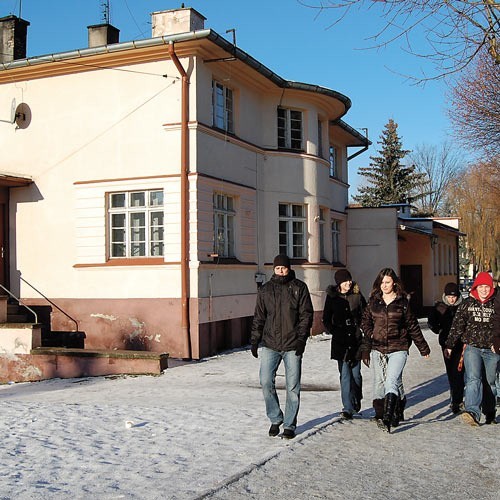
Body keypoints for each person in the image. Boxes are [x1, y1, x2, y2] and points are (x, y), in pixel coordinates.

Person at [250, 254, 313, 439]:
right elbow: (259, 317)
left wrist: (301, 340)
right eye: (278, 268)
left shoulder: (299, 288)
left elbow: (306, 316)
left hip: (293, 345)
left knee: (293, 386)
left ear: (289, 268)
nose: (281, 271)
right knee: (265, 381)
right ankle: (275, 418)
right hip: (270, 344)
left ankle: (289, 425)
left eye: (284, 268)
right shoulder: (266, 290)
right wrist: (255, 340)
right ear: (274, 269)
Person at [361, 267, 430, 433]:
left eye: (388, 282)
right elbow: (365, 323)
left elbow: (412, 326)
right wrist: (372, 335)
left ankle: (387, 417)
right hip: (378, 347)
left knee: (391, 380)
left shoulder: (402, 303)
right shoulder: (373, 302)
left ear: (394, 283)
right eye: (382, 282)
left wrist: (423, 347)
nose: (384, 285)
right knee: (381, 381)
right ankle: (396, 406)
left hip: (398, 347)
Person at [445, 272, 499, 426]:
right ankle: (472, 411)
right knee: (473, 379)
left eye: (487, 287)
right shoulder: (467, 304)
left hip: (492, 349)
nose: (484, 290)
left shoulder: (496, 303)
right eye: (481, 286)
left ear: (491, 287)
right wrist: (449, 345)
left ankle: (489, 411)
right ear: (475, 287)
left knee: (490, 382)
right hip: (472, 347)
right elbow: (457, 326)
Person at [322, 268, 366, 420]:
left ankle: (356, 397)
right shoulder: (332, 297)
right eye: (345, 281)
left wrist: (361, 328)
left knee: (356, 375)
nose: (348, 283)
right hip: (340, 341)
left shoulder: (357, 296)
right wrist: (334, 329)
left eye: (349, 280)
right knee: (345, 375)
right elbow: (326, 318)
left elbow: (366, 314)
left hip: (356, 340)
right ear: (339, 283)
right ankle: (347, 407)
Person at [427, 282, 464, 414]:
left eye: (454, 296)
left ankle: (457, 400)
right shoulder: (440, 307)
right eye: (449, 296)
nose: (452, 299)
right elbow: (431, 322)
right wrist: (439, 330)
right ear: (445, 296)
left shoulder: (463, 306)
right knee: (451, 372)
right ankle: (455, 397)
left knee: (459, 372)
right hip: (446, 345)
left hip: (461, 344)